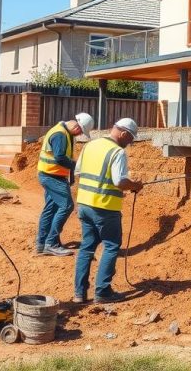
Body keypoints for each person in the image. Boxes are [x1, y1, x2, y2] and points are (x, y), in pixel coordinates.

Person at [73, 118, 144, 304]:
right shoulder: (117, 152)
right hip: (105, 207)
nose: (130, 143)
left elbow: (78, 172)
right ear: (123, 133)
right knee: (111, 246)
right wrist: (135, 185)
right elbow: (119, 181)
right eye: (130, 138)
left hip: (84, 205)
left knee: (87, 247)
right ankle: (102, 292)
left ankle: (79, 294)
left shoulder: (90, 145)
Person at [34, 113, 94, 257]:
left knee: (51, 208)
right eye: (80, 131)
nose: (80, 135)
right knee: (67, 206)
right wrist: (76, 166)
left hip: (51, 175)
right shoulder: (60, 134)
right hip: (51, 176)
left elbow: (65, 157)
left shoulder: (64, 132)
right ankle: (51, 243)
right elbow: (60, 157)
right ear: (76, 126)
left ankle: (41, 244)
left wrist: (71, 175)